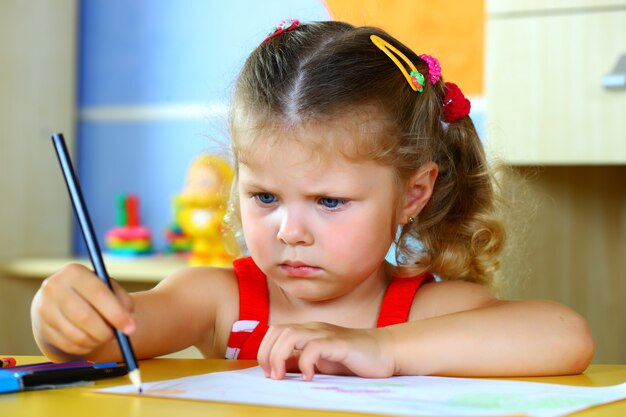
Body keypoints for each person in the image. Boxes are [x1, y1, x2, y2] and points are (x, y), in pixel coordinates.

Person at [31, 19, 594, 381]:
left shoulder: (421, 312)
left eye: (329, 202)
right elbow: (116, 333)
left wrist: (383, 350)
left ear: (412, 194)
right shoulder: (218, 301)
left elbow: (566, 337)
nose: (289, 231)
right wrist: (65, 316)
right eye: (266, 196)